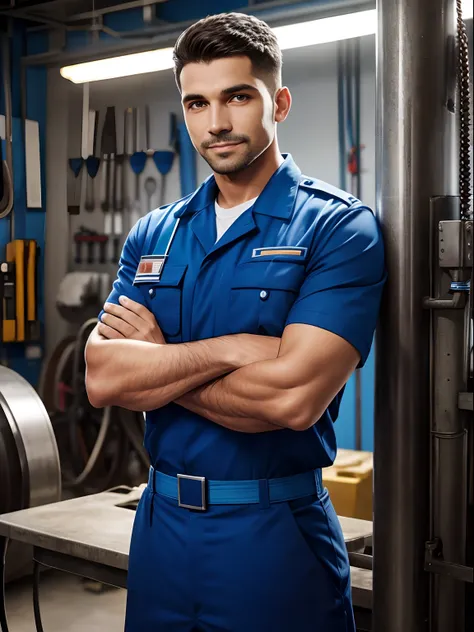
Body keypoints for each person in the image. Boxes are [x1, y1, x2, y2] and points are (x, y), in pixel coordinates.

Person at [85, 11, 385, 632]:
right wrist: (234, 348)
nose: (216, 122)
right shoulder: (154, 232)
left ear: (278, 102)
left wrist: (161, 361)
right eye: (196, 103)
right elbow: (104, 378)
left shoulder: (337, 228)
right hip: (161, 531)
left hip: (273, 536)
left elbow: (292, 398)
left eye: (237, 97)